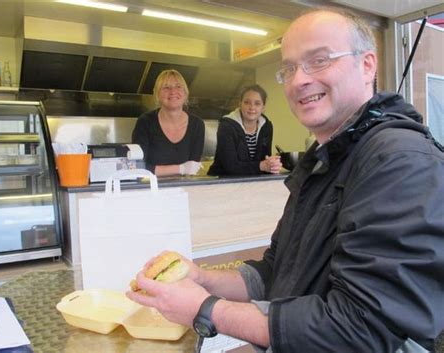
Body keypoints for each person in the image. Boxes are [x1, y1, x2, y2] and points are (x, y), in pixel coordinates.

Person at [127, 8, 444, 353]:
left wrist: (206, 309)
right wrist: (200, 278)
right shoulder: (325, 160)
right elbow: (274, 272)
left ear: (367, 65)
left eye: (319, 60)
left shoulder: (399, 160)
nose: (298, 80)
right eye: (289, 68)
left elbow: (360, 328)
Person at [132, 69, 205, 176]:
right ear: (157, 94)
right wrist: (180, 169)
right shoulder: (145, 122)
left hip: (185, 188)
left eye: (178, 86)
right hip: (152, 188)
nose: (173, 91)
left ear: (185, 93)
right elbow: (137, 166)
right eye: (166, 87)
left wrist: (186, 169)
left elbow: (193, 167)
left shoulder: (197, 125)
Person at [208, 84, 282, 175]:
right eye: (247, 102)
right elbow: (230, 166)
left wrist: (272, 164)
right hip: (222, 182)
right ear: (240, 104)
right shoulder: (226, 126)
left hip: (251, 182)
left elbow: (264, 159)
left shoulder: (266, 126)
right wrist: (261, 166)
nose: (252, 107)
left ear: (263, 107)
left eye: (257, 103)